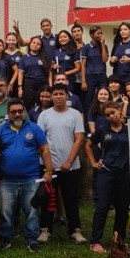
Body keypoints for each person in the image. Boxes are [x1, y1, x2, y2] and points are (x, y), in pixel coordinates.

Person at [0, 99, 52, 252]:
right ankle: (6, 239)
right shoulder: (1, 131)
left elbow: (45, 149)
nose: (17, 114)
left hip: (31, 179)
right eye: (13, 112)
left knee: (32, 211)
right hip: (6, 180)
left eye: (20, 111)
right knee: (6, 212)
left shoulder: (34, 129)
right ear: (8, 114)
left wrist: (48, 171)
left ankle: (32, 239)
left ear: (24, 112)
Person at [37, 85, 87, 245]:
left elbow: (79, 139)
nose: (58, 96)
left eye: (61, 94)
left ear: (67, 96)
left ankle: (75, 230)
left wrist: (69, 162)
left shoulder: (75, 115)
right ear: (51, 97)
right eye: (55, 94)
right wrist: (49, 166)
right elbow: (40, 141)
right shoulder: (44, 115)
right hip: (48, 166)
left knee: (71, 198)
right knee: (47, 199)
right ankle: (45, 229)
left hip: (70, 166)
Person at [86, 102, 130, 253]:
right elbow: (88, 144)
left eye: (113, 113)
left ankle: (119, 239)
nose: (111, 117)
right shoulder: (103, 130)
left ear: (119, 111)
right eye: (107, 115)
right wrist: (93, 162)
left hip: (124, 172)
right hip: (106, 171)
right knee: (102, 207)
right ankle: (95, 241)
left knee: (123, 208)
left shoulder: (129, 130)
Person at [108, 22, 130, 90]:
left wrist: (129, 60)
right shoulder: (117, 45)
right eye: (121, 30)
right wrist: (112, 60)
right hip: (118, 79)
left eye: (125, 29)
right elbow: (111, 64)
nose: (122, 31)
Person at [80, 26, 108, 111]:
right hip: (90, 76)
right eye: (98, 33)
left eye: (101, 33)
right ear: (92, 35)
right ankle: (87, 122)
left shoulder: (104, 46)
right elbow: (83, 65)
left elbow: (104, 60)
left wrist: (103, 45)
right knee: (89, 99)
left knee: (104, 98)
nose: (100, 35)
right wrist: (83, 81)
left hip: (102, 75)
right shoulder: (86, 48)